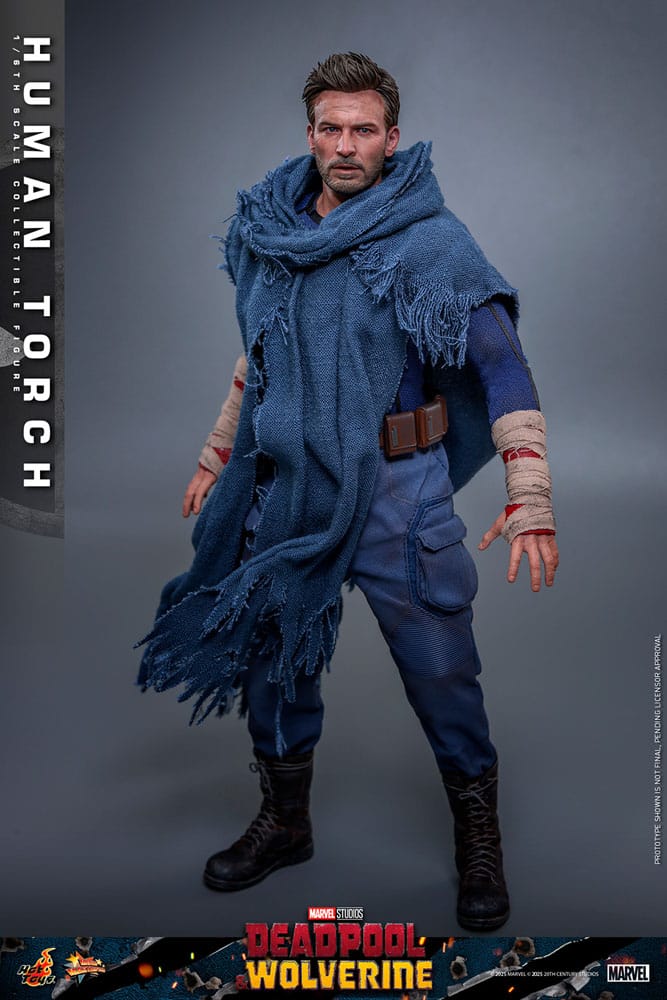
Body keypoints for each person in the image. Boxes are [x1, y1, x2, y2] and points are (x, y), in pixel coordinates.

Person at [139, 53, 559, 931]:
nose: (344, 145)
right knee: (273, 658)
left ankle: (476, 834)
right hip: (290, 483)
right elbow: (262, 357)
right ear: (310, 135)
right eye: (329, 128)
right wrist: (218, 454)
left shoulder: (428, 242)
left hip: (396, 488)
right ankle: (285, 821)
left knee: (441, 670)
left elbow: (502, 366)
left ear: (390, 139)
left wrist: (530, 494)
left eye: (362, 129)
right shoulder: (273, 233)